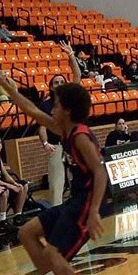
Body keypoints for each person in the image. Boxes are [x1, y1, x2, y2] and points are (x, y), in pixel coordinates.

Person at [0, 66, 109, 275]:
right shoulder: (62, 128)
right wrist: (7, 86)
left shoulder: (79, 136)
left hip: (87, 201)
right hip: (76, 200)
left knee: (55, 255)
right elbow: (31, 111)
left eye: (55, 104)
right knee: (27, 232)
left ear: (66, 110)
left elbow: (100, 172)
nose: (51, 107)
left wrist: (93, 213)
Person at [38, 41, 83, 206]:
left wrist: (71, 56)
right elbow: (41, 127)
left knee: (80, 177)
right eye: (55, 82)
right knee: (57, 184)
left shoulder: (70, 98)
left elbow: (77, 76)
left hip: (73, 143)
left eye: (62, 82)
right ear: (50, 87)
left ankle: (80, 206)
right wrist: (45, 143)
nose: (59, 85)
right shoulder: (45, 105)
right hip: (55, 145)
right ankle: (57, 213)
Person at [0, 136, 30, 220]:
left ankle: (18, 215)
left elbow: (5, 175)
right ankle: (3, 220)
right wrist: (11, 186)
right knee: (5, 190)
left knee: (23, 185)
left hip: (1, 183)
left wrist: (14, 183)